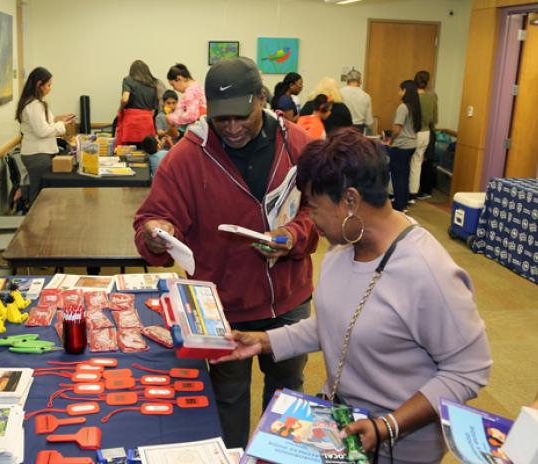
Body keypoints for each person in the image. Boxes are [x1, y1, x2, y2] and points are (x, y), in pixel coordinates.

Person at [213, 128, 492, 464]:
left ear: (350, 201)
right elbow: (336, 324)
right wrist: (264, 341)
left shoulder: (427, 272)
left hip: (398, 448)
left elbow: (467, 370)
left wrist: (388, 425)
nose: (311, 221)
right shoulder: (342, 249)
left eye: (314, 208)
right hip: (342, 428)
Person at [134, 57, 318, 448]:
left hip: (289, 300)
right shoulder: (187, 155)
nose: (232, 128)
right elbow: (152, 217)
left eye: (241, 116)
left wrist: (293, 235)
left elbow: (321, 210)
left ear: (262, 100)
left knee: (288, 394)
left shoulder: (298, 144)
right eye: (222, 119)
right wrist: (156, 234)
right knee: (228, 398)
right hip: (222, 307)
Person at [15, 67, 74, 203]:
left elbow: (42, 124)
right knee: (39, 194)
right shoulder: (34, 105)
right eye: (48, 85)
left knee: (38, 190)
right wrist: (61, 126)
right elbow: (42, 131)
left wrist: (58, 120)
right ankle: (34, 223)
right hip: (38, 155)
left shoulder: (32, 103)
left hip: (37, 153)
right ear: (39, 84)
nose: (50, 88)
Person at [388, 80, 421, 212]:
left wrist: (389, 140)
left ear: (405, 91)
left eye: (400, 90)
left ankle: (399, 206)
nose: (399, 92)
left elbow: (397, 129)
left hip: (401, 145)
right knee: (405, 174)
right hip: (412, 145)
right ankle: (403, 202)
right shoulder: (415, 107)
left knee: (397, 175)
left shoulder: (403, 107)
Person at [116, 60, 161, 146]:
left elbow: (125, 99)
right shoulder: (153, 84)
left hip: (131, 122)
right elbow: (153, 111)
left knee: (129, 152)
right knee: (146, 150)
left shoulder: (128, 80)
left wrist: (120, 108)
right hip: (147, 122)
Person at [412, 70, 438, 201]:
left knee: (409, 163)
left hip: (413, 132)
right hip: (426, 132)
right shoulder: (432, 97)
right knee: (418, 162)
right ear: (428, 82)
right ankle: (414, 192)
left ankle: (406, 193)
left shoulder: (412, 97)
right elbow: (434, 118)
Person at [166, 63, 206, 129]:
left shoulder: (190, 92)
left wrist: (172, 118)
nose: (174, 88)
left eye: (173, 85)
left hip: (197, 129)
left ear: (179, 79)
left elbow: (191, 116)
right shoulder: (198, 87)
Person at [340, 69, 373, 133]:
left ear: (347, 81)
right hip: (358, 129)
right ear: (360, 81)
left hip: (342, 128)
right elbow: (369, 122)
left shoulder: (339, 92)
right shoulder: (366, 96)